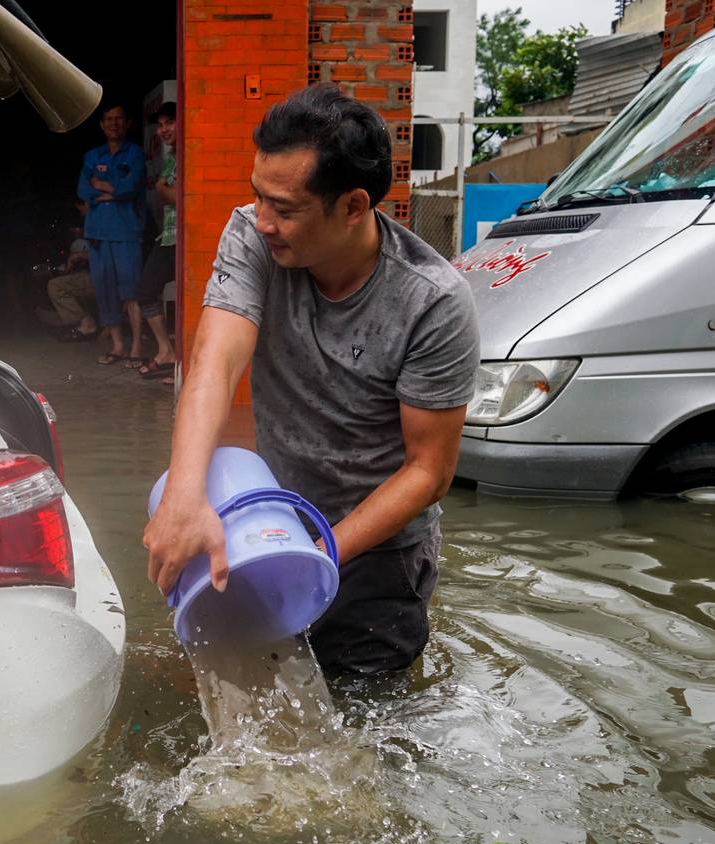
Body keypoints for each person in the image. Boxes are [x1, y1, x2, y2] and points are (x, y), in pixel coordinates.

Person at [143, 85, 480, 677]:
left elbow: (429, 472)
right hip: (274, 519)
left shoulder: (433, 301)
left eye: (286, 209)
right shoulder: (251, 235)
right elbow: (216, 364)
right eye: (258, 198)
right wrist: (184, 496)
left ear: (353, 206)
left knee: (368, 722)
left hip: (378, 548)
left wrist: (320, 556)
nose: (264, 221)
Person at [77, 103, 145, 367]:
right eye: (109, 119)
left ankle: (137, 344)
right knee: (105, 290)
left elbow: (132, 185)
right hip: (97, 233)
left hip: (126, 231)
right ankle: (117, 345)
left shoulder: (136, 153)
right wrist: (111, 191)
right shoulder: (93, 155)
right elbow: (83, 189)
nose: (114, 123)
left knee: (132, 290)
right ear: (102, 125)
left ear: (127, 123)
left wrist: (106, 186)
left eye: (119, 119)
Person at [134, 102, 178, 379]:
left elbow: (178, 199)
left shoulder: (188, 154)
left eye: (168, 123)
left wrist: (162, 187)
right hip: (170, 237)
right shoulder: (173, 155)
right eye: (160, 125)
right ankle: (167, 352)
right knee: (147, 290)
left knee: (147, 289)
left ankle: (169, 353)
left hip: (181, 240)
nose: (163, 130)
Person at [41, 199, 98, 336]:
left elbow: (102, 254)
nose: (82, 214)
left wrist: (81, 256)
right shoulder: (97, 224)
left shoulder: (96, 225)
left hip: (102, 277)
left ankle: (86, 323)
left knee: (55, 286)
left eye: (81, 209)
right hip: (100, 274)